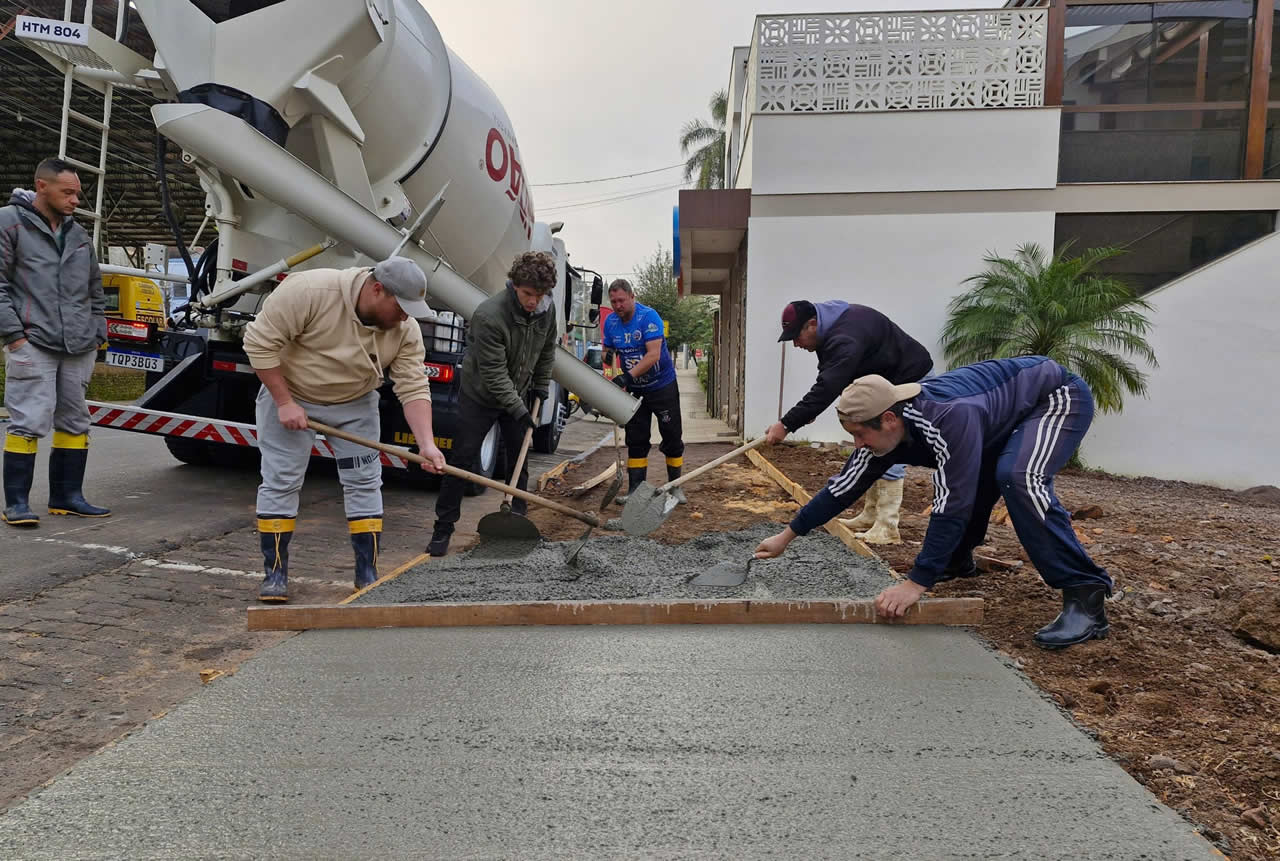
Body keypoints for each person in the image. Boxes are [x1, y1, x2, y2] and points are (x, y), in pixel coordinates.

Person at [754, 357, 1114, 650]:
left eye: (860, 435)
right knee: (979, 474)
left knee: (1018, 478)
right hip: (996, 420)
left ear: (890, 419)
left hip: (1053, 398)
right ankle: (957, 560)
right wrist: (787, 536)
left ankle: (1085, 593)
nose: (858, 444)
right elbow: (842, 488)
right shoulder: (882, 433)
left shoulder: (946, 418)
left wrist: (915, 583)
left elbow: (952, 502)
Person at [243, 256, 446, 601]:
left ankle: (366, 574)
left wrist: (426, 443)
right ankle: (274, 573)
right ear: (377, 289)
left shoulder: (404, 329)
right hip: (293, 394)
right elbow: (259, 343)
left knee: (364, 482)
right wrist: (284, 402)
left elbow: (413, 386)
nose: (406, 316)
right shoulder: (310, 291)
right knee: (281, 479)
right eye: (401, 307)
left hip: (355, 402)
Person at [0, 159, 111, 527]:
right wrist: (14, 337)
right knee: (29, 420)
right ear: (41, 186)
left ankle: (67, 497)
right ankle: (16, 503)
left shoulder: (79, 235)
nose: (75, 199)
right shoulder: (9, 223)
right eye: (67, 192)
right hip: (33, 340)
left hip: (78, 345)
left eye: (77, 192)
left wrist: (98, 333)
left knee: (76, 420)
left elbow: (96, 291)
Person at [766, 299, 932, 545]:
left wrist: (787, 424)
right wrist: (807, 412)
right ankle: (871, 515)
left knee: (888, 447)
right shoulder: (833, 326)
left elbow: (828, 385)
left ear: (812, 324)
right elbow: (833, 376)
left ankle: (887, 525)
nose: (796, 344)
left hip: (908, 381)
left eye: (796, 336)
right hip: (884, 386)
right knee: (872, 449)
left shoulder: (845, 337)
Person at [427, 251, 559, 557]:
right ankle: (443, 528)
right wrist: (519, 409)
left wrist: (540, 387)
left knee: (519, 461)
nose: (532, 302)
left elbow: (545, 351)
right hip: (481, 396)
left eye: (539, 295)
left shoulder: (545, 309)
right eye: (527, 294)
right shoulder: (489, 315)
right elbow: (494, 374)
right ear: (514, 285)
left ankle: (519, 524)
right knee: (461, 461)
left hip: (519, 392)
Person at [602, 278, 683, 504]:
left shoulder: (648, 317)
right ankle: (635, 492)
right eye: (614, 301)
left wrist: (627, 377)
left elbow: (653, 355)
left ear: (632, 297)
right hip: (635, 392)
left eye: (622, 300)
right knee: (636, 439)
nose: (618, 306)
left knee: (672, 436)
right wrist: (607, 355)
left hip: (662, 385)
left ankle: (674, 488)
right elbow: (607, 349)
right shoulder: (611, 322)